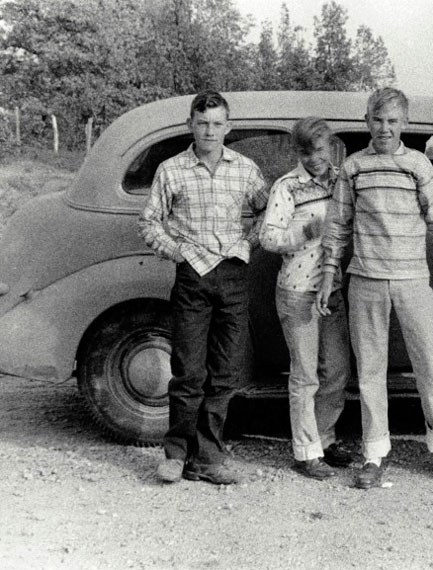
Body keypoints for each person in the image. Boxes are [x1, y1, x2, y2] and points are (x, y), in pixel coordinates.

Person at [317, 87, 433, 489]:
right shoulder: (353, 167)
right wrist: (330, 273)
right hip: (365, 278)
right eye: (378, 120)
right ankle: (375, 453)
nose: (385, 128)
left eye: (393, 121)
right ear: (367, 122)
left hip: (413, 279)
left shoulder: (419, 165)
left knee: (430, 367)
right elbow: (338, 225)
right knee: (369, 371)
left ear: (405, 124)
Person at [139, 90, 269, 485]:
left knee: (225, 372)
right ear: (190, 125)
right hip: (192, 276)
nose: (210, 131)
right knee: (188, 371)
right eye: (202, 123)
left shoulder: (246, 169)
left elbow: (268, 209)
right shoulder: (171, 169)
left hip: (232, 275)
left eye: (217, 124)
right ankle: (176, 454)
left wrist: (248, 243)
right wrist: (177, 253)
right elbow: (149, 222)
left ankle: (208, 458)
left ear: (228, 127)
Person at [259, 117, 354, 480]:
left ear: (330, 147)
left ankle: (326, 439)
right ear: (296, 152)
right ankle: (305, 451)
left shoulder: (341, 179)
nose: (313, 158)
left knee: (337, 370)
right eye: (304, 151)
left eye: (319, 149)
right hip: (298, 291)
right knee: (305, 374)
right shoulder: (287, 186)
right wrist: (307, 231)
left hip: (333, 290)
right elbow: (268, 238)